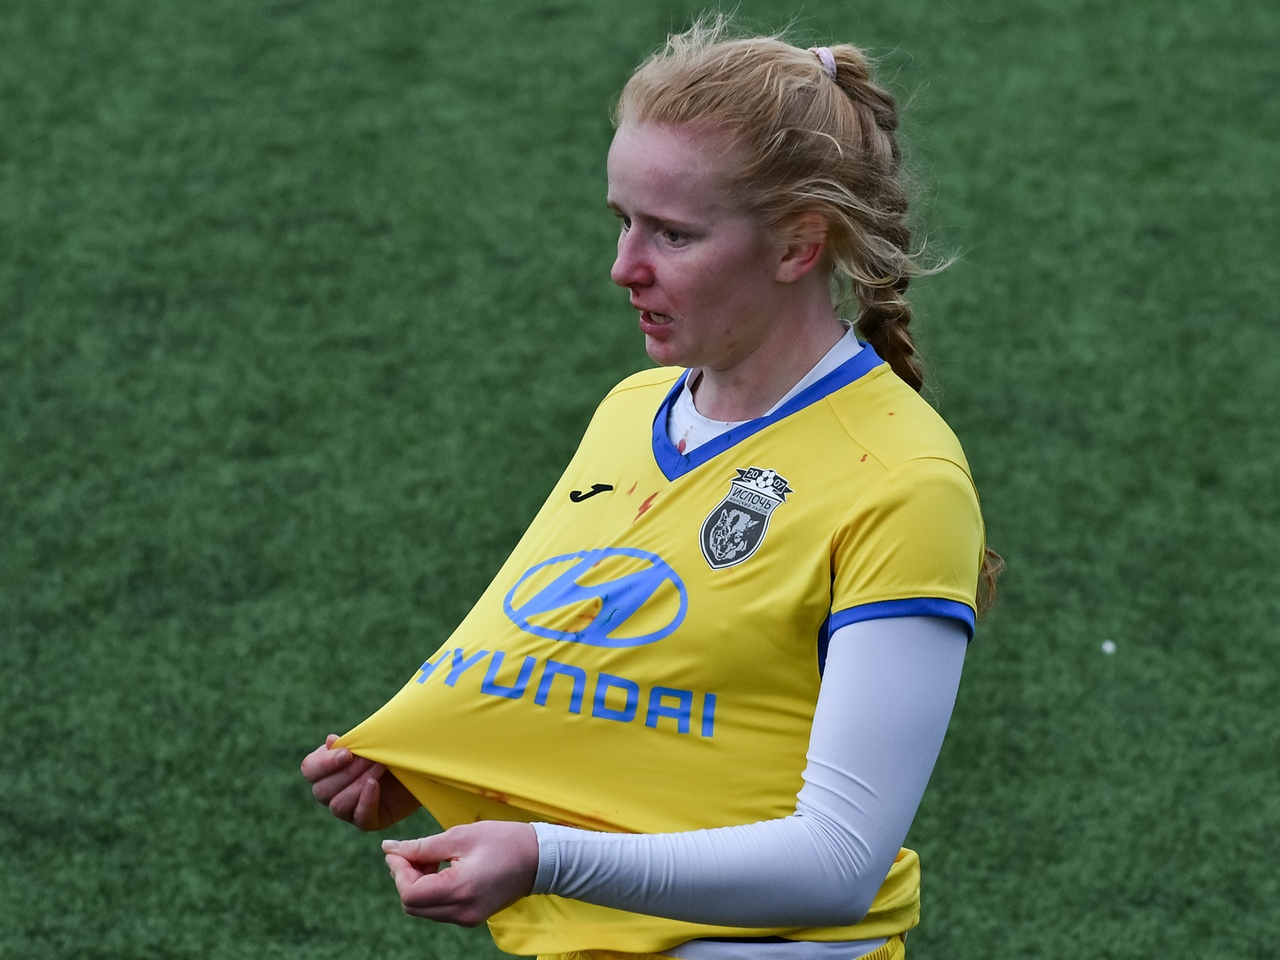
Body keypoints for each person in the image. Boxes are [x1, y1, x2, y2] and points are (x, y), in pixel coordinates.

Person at [301, 17, 999, 960]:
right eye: (622, 220)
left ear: (798, 246)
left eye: (673, 234)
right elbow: (613, 672)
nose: (624, 268)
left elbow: (838, 861)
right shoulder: (634, 412)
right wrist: (448, 760)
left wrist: (543, 855)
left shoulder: (904, 482)